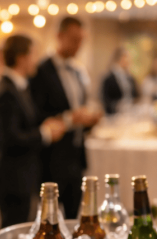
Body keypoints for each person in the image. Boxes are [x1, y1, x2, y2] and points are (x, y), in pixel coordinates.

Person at [0, 35, 65, 228]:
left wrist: (47, 124)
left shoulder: (19, 86)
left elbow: (25, 124)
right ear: (21, 58)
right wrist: (45, 134)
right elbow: (9, 139)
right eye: (33, 55)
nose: (36, 61)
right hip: (11, 178)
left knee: (18, 229)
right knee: (12, 233)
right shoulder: (6, 91)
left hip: (21, 176)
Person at [29, 17, 100, 218]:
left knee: (75, 215)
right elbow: (36, 115)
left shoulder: (77, 71)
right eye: (74, 39)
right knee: (49, 218)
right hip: (52, 157)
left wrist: (89, 120)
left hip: (76, 154)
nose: (79, 45)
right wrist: (70, 119)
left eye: (81, 40)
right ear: (59, 37)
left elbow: (80, 108)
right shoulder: (41, 71)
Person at [101, 47, 139, 115]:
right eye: (126, 57)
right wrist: (118, 106)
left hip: (131, 113)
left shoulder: (130, 77)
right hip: (115, 115)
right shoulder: (109, 78)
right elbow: (106, 100)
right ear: (120, 58)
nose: (129, 60)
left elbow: (136, 95)